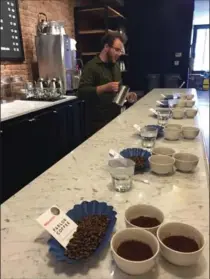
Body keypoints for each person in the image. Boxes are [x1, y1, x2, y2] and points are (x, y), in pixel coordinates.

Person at [77, 32, 137, 135]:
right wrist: (104, 88)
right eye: (117, 50)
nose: (120, 53)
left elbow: (118, 90)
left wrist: (127, 96)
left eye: (121, 50)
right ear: (106, 47)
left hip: (116, 119)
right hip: (97, 124)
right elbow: (82, 92)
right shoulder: (91, 66)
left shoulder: (115, 66)